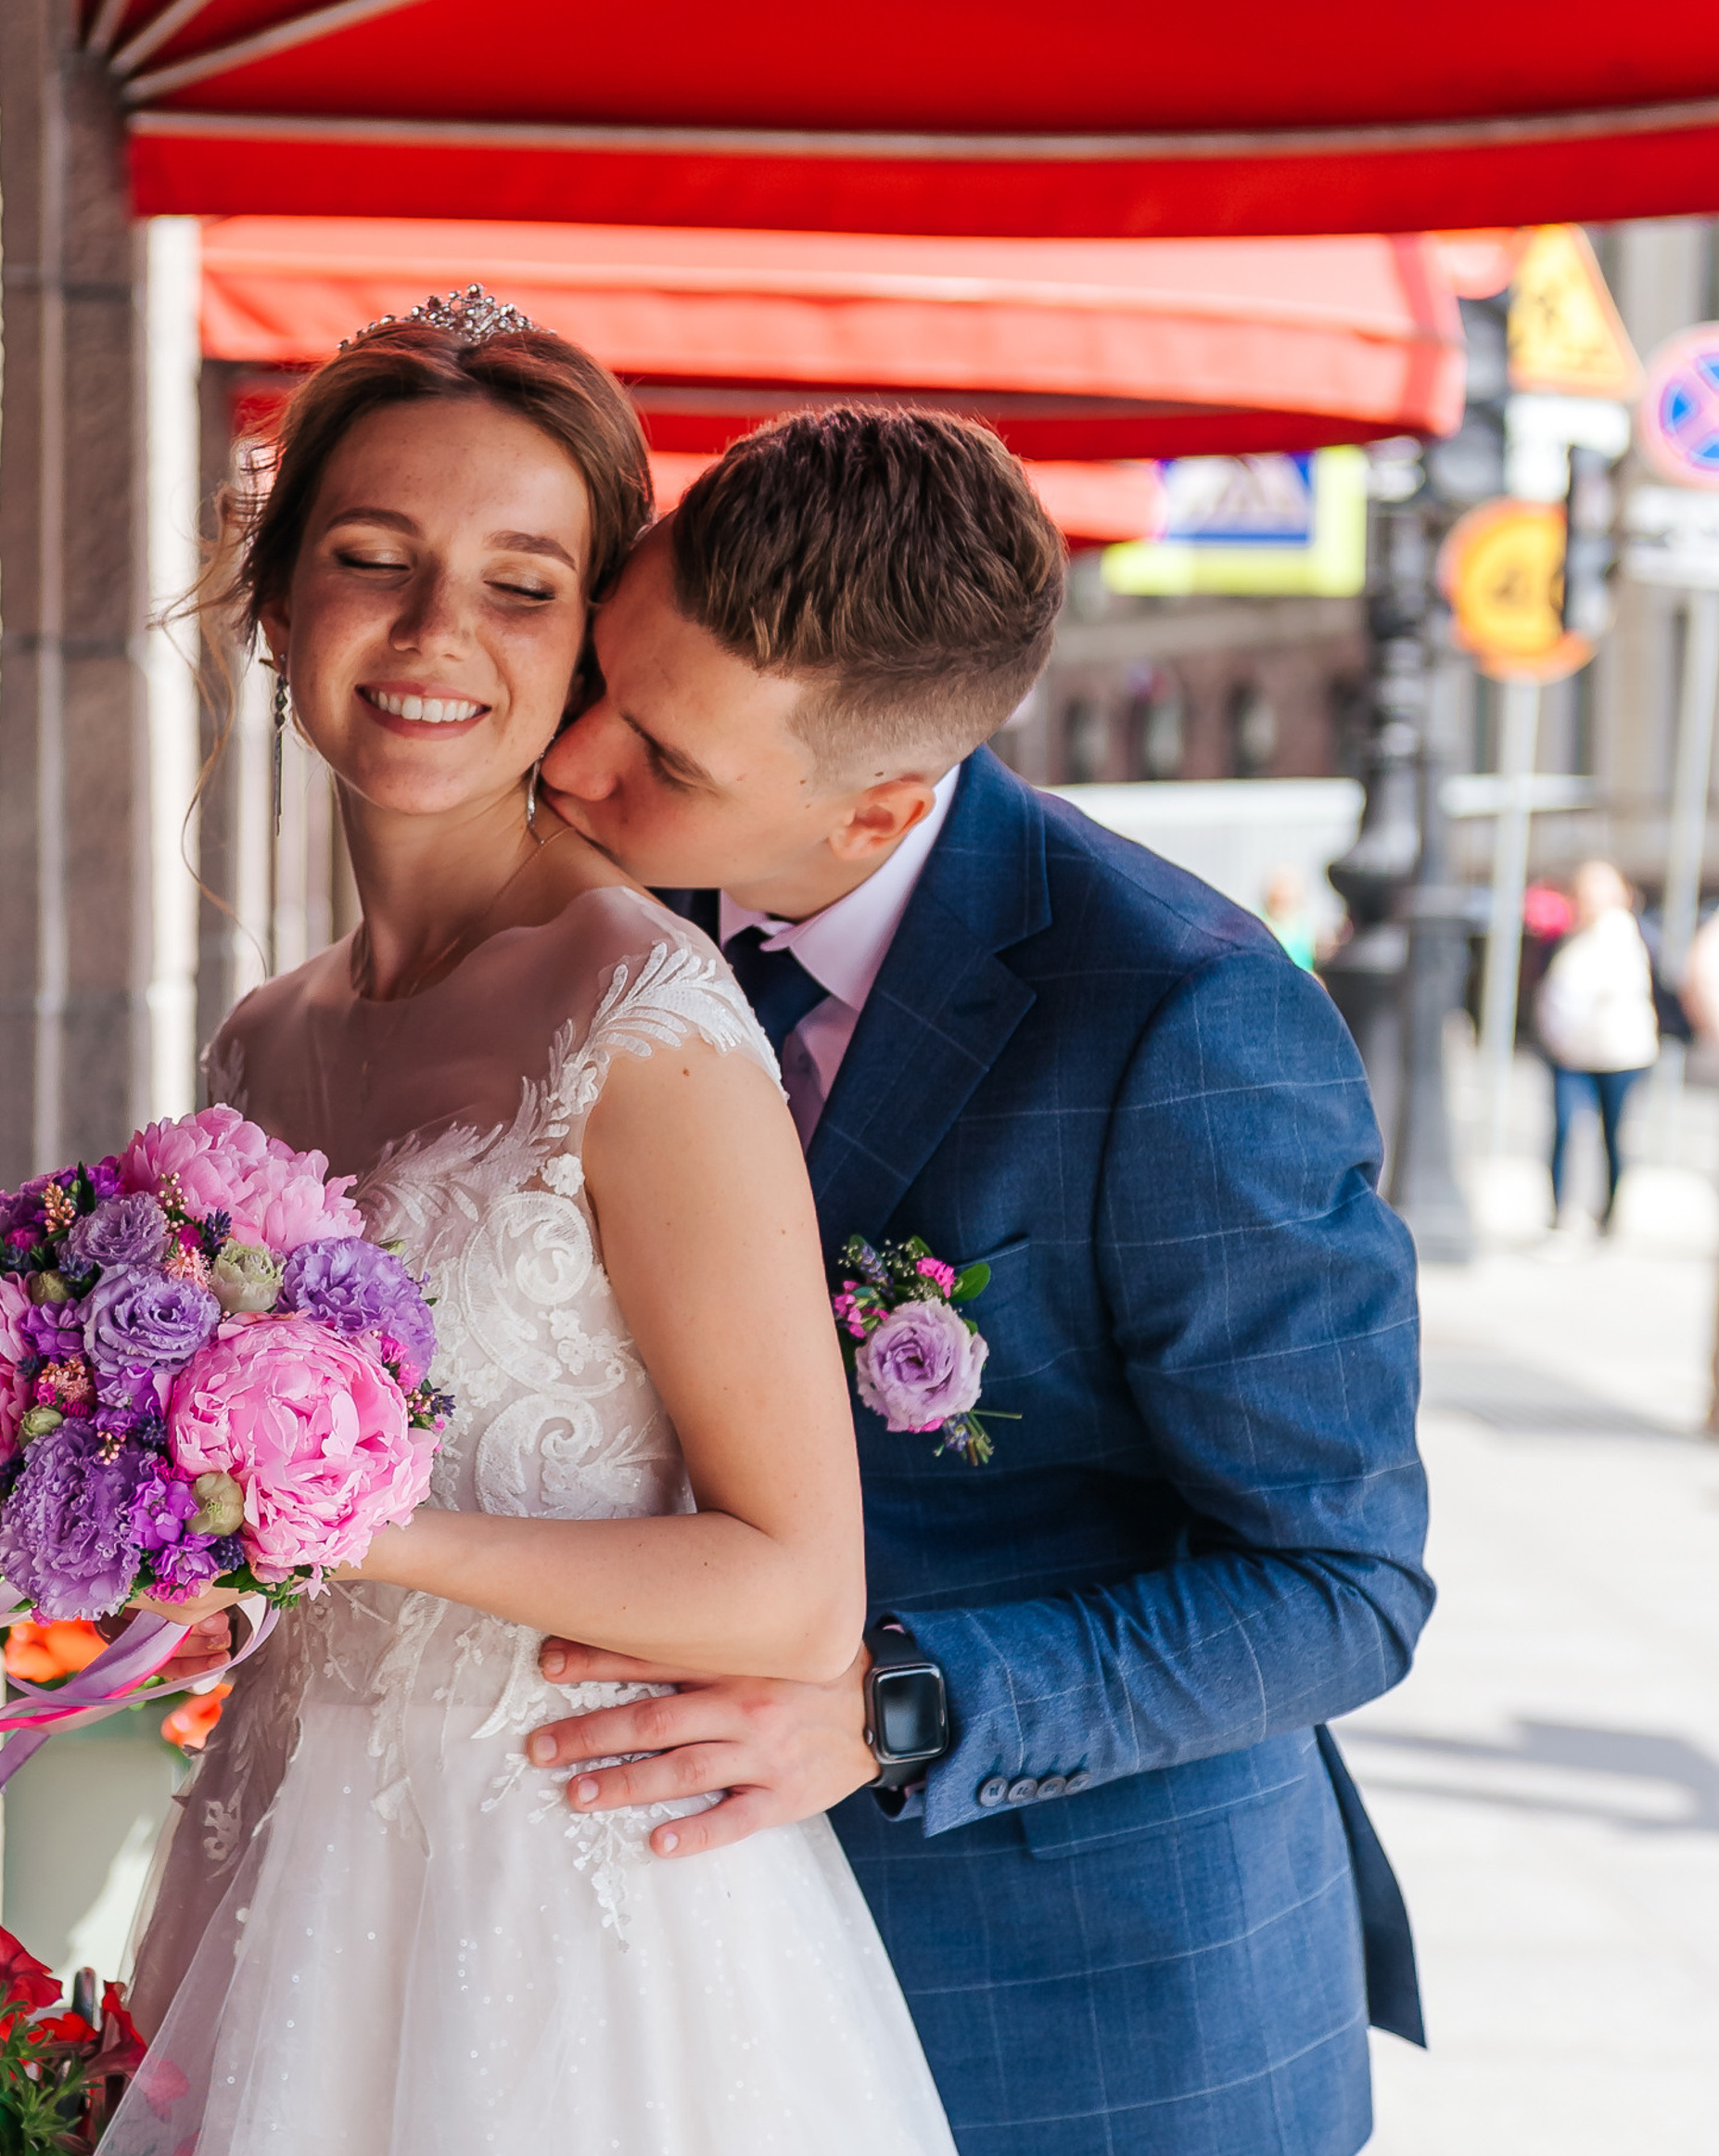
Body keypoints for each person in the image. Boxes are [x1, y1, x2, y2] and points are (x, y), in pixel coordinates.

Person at [100, 299, 954, 2154]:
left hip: (570, 1911)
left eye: (517, 585)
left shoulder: (633, 1016)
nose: (430, 639)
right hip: (284, 1858)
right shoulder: (269, 1033)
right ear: (275, 597)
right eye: (369, 560)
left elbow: (794, 1586)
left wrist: (353, 1521)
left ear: (585, 644)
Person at [530, 404, 1434, 2156]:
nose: (573, 771)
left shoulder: (1186, 1026)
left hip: (1084, 2019)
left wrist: (899, 1698)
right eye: (596, 681)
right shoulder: (608, 913)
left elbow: (1343, 1588)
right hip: (661, 1973)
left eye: (671, 760)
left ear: (881, 801)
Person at [1535, 857, 1658, 1233]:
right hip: (1571, 1054)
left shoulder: (1627, 934)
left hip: (1619, 1055)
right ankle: (1560, 1213)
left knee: (1611, 1137)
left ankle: (1607, 1214)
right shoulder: (1569, 934)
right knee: (1565, 1129)